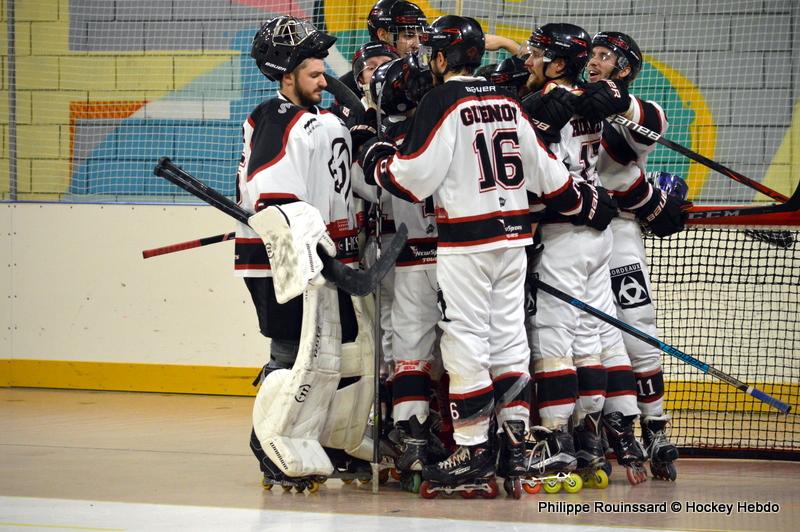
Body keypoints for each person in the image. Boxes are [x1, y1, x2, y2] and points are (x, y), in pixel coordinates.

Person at [359, 15, 610, 498]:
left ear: (439, 58)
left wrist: (376, 158)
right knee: (509, 340)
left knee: (466, 341)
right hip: (514, 241)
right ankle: (516, 444)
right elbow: (552, 178)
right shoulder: (507, 101)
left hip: (467, 244)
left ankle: (474, 451)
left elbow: (414, 179)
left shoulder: (441, 101)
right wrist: (590, 204)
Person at [238, 15, 371, 488]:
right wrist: (310, 244)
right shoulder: (274, 118)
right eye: (314, 73)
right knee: (295, 353)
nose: (324, 79)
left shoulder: (326, 121)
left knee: (340, 355)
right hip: (284, 261)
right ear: (286, 75)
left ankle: (327, 439)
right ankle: (269, 443)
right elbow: (270, 192)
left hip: (330, 261)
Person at [520, 22, 643, 487]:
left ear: (557, 63)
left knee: (554, 339)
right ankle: (590, 438)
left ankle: (556, 439)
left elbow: (537, 174)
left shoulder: (554, 102)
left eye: (537, 53)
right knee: (589, 338)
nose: (529, 60)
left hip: (563, 234)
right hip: (597, 235)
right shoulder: (590, 99)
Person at [584, 31, 692, 481]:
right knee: (582, 334)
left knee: (637, 325)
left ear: (624, 68)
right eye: (591, 54)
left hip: (620, 233)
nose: (593, 62)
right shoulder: (568, 106)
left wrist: (617, 101)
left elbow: (650, 121)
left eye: (604, 56)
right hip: (570, 235)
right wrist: (647, 195)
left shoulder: (632, 112)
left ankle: (655, 427)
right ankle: (592, 431)